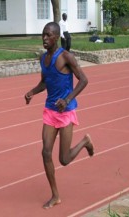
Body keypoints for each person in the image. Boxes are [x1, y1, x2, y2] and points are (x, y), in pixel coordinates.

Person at [24, 22, 94, 209]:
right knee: (46, 152)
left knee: (63, 159)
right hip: (50, 111)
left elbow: (84, 80)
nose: (45, 39)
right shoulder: (43, 58)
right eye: (43, 35)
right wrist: (31, 92)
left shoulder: (65, 56)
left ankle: (85, 142)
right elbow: (45, 83)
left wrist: (67, 98)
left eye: (48, 35)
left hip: (66, 111)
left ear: (56, 37)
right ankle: (55, 195)